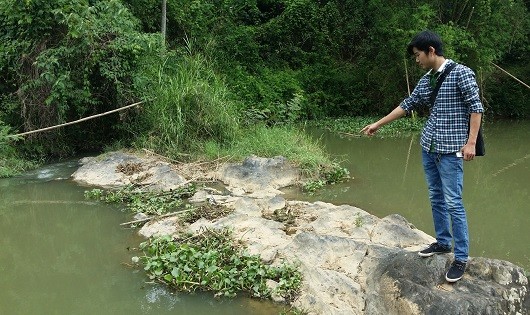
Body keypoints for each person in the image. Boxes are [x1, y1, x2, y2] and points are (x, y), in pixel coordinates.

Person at [361, 30, 484, 282]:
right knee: (436, 197)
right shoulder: (427, 80)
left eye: (417, 55)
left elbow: (476, 108)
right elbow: (408, 104)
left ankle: (461, 258)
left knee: (453, 202)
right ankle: (442, 242)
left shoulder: (462, 73)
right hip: (429, 146)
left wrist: (471, 143)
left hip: (451, 151)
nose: (416, 60)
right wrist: (377, 124)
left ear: (430, 51)